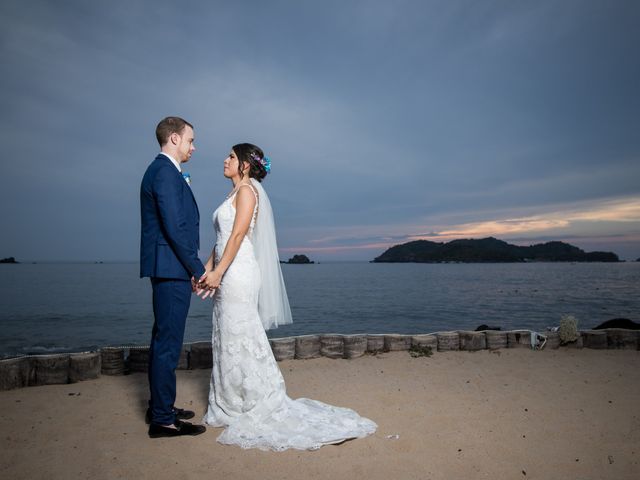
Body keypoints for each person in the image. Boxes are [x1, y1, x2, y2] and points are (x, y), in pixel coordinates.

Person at [197, 143, 377, 451]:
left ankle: (251, 402)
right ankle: (231, 401)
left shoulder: (247, 193)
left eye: (230, 156)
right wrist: (206, 270)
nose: (224, 160)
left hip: (239, 272)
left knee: (240, 332)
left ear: (243, 165)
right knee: (226, 334)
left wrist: (220, 272)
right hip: (227, 268)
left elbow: (238, 236)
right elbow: (221, 239)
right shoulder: (232, 193)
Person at [139, 116, 207, 438]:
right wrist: (197, 268)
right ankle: (163, 420)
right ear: (175, 139)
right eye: (191, 140)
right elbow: (174, 227)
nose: (194, 147)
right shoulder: (165, 172)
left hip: (169, 266)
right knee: (168, 344)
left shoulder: (164, 171)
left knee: (162, 341)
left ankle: (160, 405)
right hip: (170, 268)